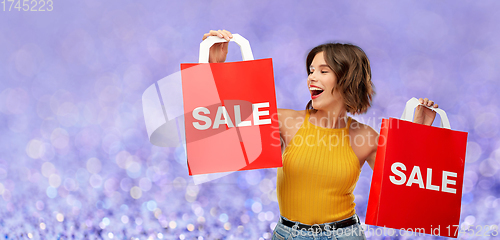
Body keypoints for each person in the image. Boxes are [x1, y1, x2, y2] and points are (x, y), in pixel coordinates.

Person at [202, 30, 439, 240]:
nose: (311, 77)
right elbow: (224, 131)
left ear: (347, 79)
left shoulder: (365, 136)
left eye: (323, 71)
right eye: (311, 70)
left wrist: (419, 132)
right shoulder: (285, 121)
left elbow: (404, 195)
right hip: (288, 234)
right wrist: (216, 69)